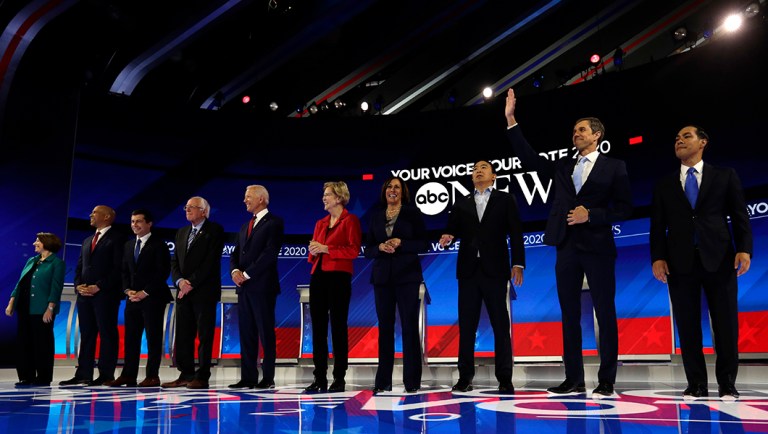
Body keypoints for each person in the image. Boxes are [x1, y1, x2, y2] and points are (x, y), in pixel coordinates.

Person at [504, 88, 632, 398]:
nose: (575, 134)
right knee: (569, 314)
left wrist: (593, 214)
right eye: (574, 130)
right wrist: (511, 120)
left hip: (598, 245)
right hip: (567, 246)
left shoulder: (615, 166)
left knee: (605, 311)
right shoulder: (563, 165)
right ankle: (573, 378)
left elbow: (625, 209)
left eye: (582, 129)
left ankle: (607, 380)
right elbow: (530, 159)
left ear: (597, 135)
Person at [650, 125, 752, 400]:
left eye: (686, 136)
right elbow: (657, 226)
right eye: (676, 138)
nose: (679, 141)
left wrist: (744, 249)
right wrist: (657, 257)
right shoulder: (665, 184)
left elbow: (740, 216)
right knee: (687, 324)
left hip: (720, 259)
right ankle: (695, 383)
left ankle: (727, 384)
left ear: (703, 142)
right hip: (679, 263)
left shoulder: (725, 175)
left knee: (726, 323)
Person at [438, 160, 525, 394]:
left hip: (495, 270)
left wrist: (518, 263)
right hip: (468, 272)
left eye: (483, 167)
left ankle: (505, 378)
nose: (478, 170)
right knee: (467, 327)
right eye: (475, 169)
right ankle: (465, 377)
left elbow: (516, 232)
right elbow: (451, 229)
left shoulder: (505, 199)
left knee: (500, 324)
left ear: (493, 176)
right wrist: (447, 236)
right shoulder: (461, 203)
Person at [365, 176, 428, 393]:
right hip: (382, 278)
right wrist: (380, 246)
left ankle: (412, 382)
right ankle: (383, 381)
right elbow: (368, 249)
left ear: (403, 192)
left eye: (397, 187)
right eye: (389, 186)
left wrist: (402, 242)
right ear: (384, 191)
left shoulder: (412, 213)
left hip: (407, 276)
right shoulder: (375, 217)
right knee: (385, 329)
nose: (392, 190)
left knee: (410, 327)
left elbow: (424, 243)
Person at [305, 181, 362, 393]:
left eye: (327, 194)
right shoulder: (320, 223)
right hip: (318, 276)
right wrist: (314, 249)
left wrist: (327, 248)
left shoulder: (350, 220)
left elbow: (354, 250)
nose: (324, 198)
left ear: (338, 198)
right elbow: (314, 253)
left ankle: (339, 378)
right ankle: (319, 378)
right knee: (318, 329)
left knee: (338, 328)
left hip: (339, 277)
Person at [162, 196, 225, 390]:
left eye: (192, 207)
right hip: (184, 292)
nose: (187, 210)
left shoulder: (214, 230)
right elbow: (175, 262)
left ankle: (202, 376)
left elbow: (210, 262)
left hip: (204, 291)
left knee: (205, 335)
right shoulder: (181, 232)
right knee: (183, 334)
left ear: (204, 211)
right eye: (186, 207)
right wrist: (180, 282)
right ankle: (186, 373)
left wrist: (192, 282)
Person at [107, 209, 172, 387]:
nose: (135, 225)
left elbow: (162, 272)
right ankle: (128, 374)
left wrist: (145, 291)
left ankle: (152, 375)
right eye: (132, 221)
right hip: (132, 298)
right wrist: (128, 290)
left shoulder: (159, 245)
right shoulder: (128, 245)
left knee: (153, 338)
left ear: (149, 224)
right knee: (131, 338)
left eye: (139, 221)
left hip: (153, 298)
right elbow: (124, 271)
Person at [60, 205, 124, 387]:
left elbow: (118, 268)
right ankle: (83, 374)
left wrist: (99, 286)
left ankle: (106, 374)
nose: (90, 215)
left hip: (106, 295)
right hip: (85, 296)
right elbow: (80, 266)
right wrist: (78, 285)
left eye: (94, 212)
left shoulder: (118, 239)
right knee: (87, 334)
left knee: (107, 334)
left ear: (106, 217)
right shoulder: (88, 240)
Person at [229, 185, 284, 389]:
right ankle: (248, 377)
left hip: (263, 287)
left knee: (265, 332)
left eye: (248, 197)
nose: (245, 200)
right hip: (244, 288)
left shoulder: (275, 223)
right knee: (247, 332)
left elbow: (269, 254)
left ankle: (267, 378)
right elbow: (235, 254)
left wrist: (246, 274)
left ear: (261, 199)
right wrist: (235, 272)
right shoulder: (245, 226)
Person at [5, 232, 65, 387]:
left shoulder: (56, 263)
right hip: (24, 307)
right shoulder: (32, 260)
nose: (34, 243)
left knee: (42, 343)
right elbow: (20, 283)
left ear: (47, 243)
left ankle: (43, 377)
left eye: (37, 241)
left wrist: (50, 308)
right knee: (24, 342)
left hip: (42, 309)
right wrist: (11, 303)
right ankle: (26, 376)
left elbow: (56, 288)